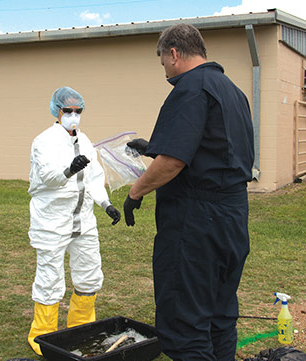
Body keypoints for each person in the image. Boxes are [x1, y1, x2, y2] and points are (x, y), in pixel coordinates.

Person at [124, 24, 254, 361]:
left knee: (185, 324)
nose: (165, 70)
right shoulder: (233, 92)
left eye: (163, 62)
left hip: (197, 223)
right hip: (233, 217)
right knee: (219, 316)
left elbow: (174, 161)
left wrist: (136, 192)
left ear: (174, 53)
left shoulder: (190, 88)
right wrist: (154, 149)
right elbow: (212, 149)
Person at [27, 86, 121, 356]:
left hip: (83, 221)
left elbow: (93, 179)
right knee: (50, 279)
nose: (73, 115)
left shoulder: (85, 140)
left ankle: (81, 328)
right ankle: (42, 335)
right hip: (52, 222)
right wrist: (70, 169)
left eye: (78, 110)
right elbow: (49, 178)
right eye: (68, 110)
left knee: (90, 275)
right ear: (57, 110)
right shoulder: (43, 141)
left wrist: (106, 205)